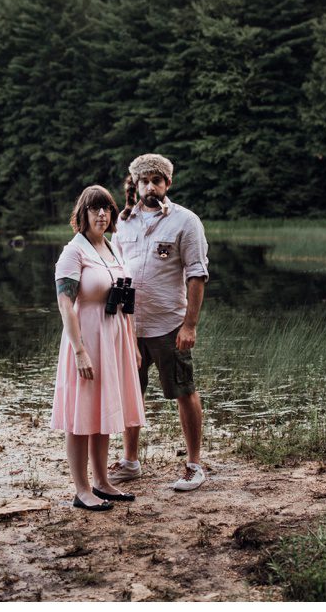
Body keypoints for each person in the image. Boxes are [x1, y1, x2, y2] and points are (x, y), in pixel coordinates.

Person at [108, 153, 210, 492]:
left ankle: (194, 465)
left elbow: (197, 275)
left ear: (168, 183)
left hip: (168, 324)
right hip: (129, 325)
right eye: (144, 181)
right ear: (135, 185)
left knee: (184, 390)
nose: (151, 187)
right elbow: (114, 270)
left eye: (157, 180)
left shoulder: (186, 221)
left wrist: (189, 326)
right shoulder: (122, 221)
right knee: (130, 392)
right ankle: (130, 461)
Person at [50, 185, 146, 511]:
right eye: (95, 209)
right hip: (86, 339)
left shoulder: (112, 247)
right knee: (81, 413)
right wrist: (79, 351)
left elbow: (124, 299)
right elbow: (65, 305)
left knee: (101, 410)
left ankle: (102, 481)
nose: (102, 214)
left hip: (113, 338)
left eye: (106, 208)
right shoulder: (73, 252)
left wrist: (131, 345)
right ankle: (81, 489)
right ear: (83, 214)